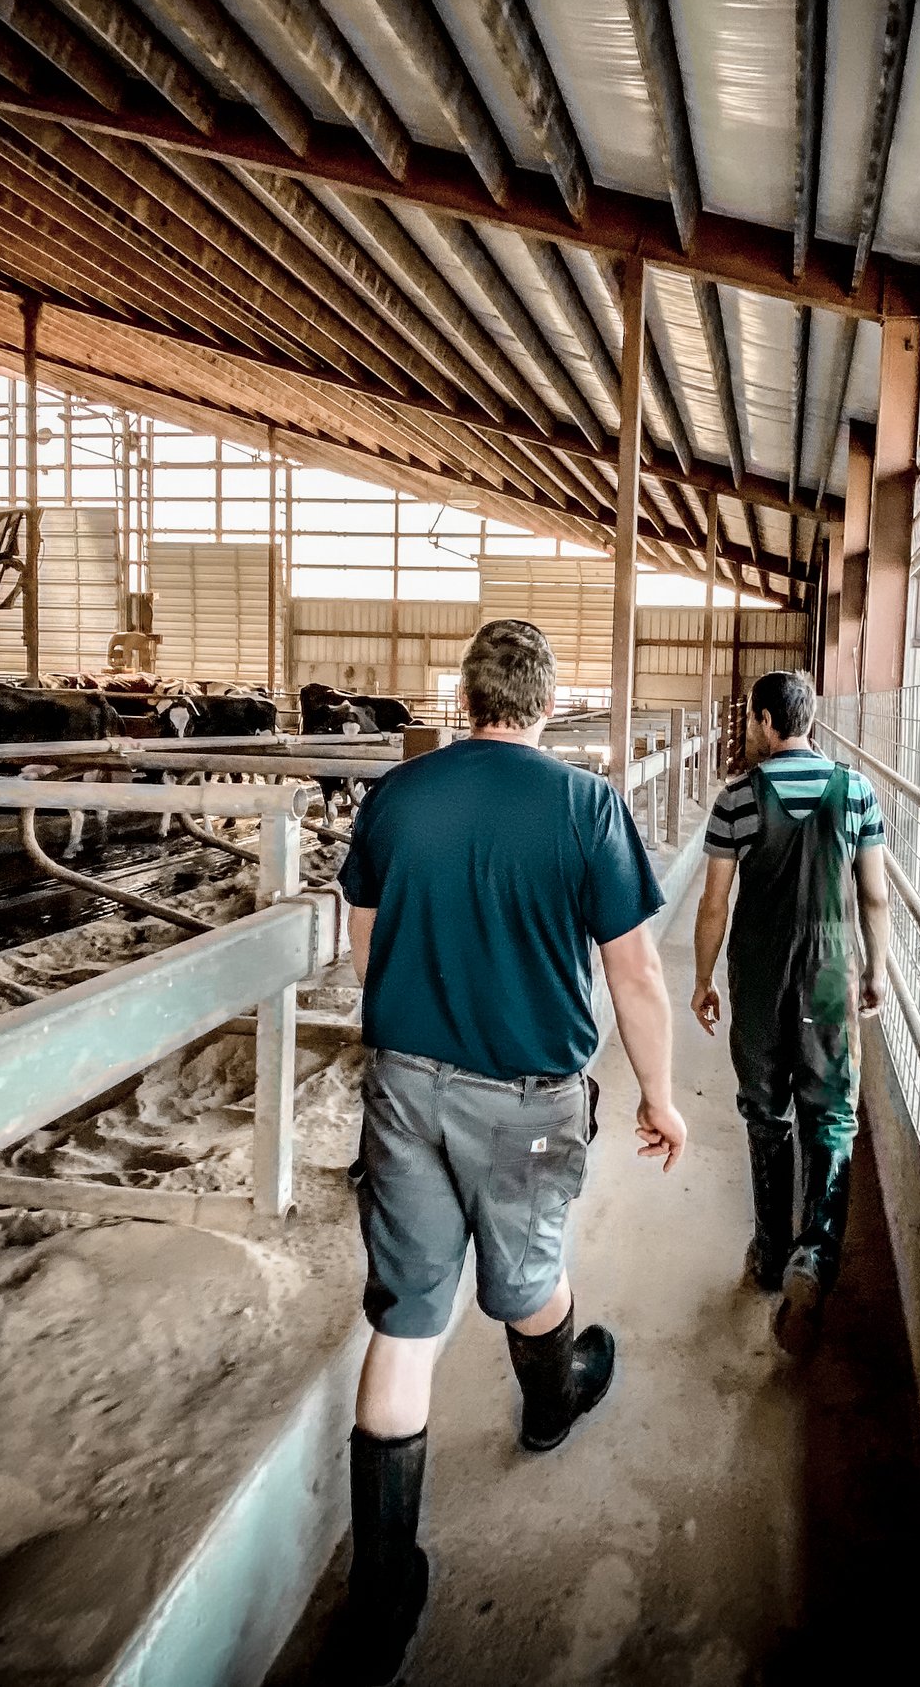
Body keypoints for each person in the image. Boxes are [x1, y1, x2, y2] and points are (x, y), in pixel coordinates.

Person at [333, 618, 685, 1683]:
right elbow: (632, 974)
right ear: (547, 703)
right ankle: (552, 1398)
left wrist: (416, 1018)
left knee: (406, 1318)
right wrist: (661, 1096)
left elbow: (364, 941)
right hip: (525, 1095)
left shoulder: (400, 796)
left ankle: (381, 1601)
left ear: (464, 696)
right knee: (527, 1269)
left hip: (403, 1084)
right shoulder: (584, 805)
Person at [691, 668, 890, 1354]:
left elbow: (715, 901)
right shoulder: (858, 791)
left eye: (752, 719)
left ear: (769, 721)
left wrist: (702, 976)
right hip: (833, 972)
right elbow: (876, 896)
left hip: (761, 974)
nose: (751, 729)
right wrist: (877, 970)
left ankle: (772, 1252)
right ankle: (816, 1254)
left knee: (765, 1110)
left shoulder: (738, 798)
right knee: (831, 1111)